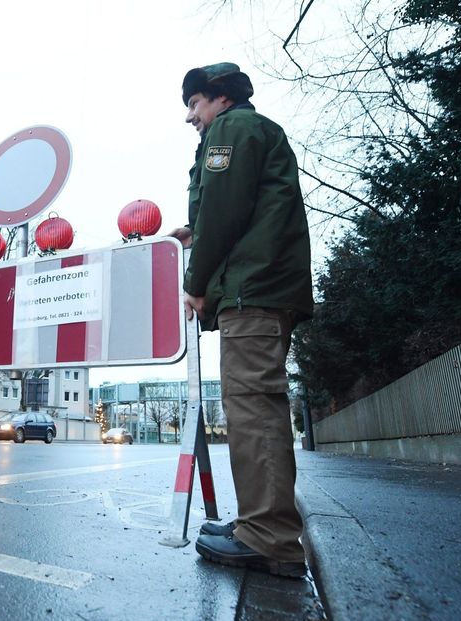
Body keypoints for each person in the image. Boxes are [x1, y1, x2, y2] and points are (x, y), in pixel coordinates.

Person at [172, 63, 313, 578]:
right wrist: (195, 228)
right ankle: (259, 522)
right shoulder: (252, 132)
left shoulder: (232, 129)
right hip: (264, 285)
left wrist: (196, 282)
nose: (190, 116)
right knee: (252, 402)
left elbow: (226, 212)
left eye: (195, 103)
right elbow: (237, 207)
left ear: (221, 98)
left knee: (252, 406)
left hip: (252, 290)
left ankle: (270, 537)